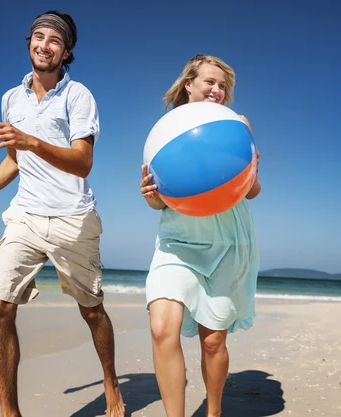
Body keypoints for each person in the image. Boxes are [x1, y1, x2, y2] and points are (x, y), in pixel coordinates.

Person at [0, 10, 124, 417]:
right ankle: (10, 413)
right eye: (39, 37)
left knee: (93, 312)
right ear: (29, 42)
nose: (45, 45)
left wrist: (32, 140)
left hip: (73, 218)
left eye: (55, 41)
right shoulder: (12, 98)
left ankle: (111, 382)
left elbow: (83, 162)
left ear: (66, 52)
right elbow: (14, 160)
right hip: (25, 214)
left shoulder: (78, 96)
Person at [139, 54, 261, 417]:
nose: (217, 90)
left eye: (223, 85)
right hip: (177, 242)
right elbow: (160, 202)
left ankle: (214, 411)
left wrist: (250, 172)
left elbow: (252, 191)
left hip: (228, 240)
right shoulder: (165, 130)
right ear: (189, 84)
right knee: (162, 328)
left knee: (213, 341)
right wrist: (151, 196)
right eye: (210, 81)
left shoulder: (237, 124)